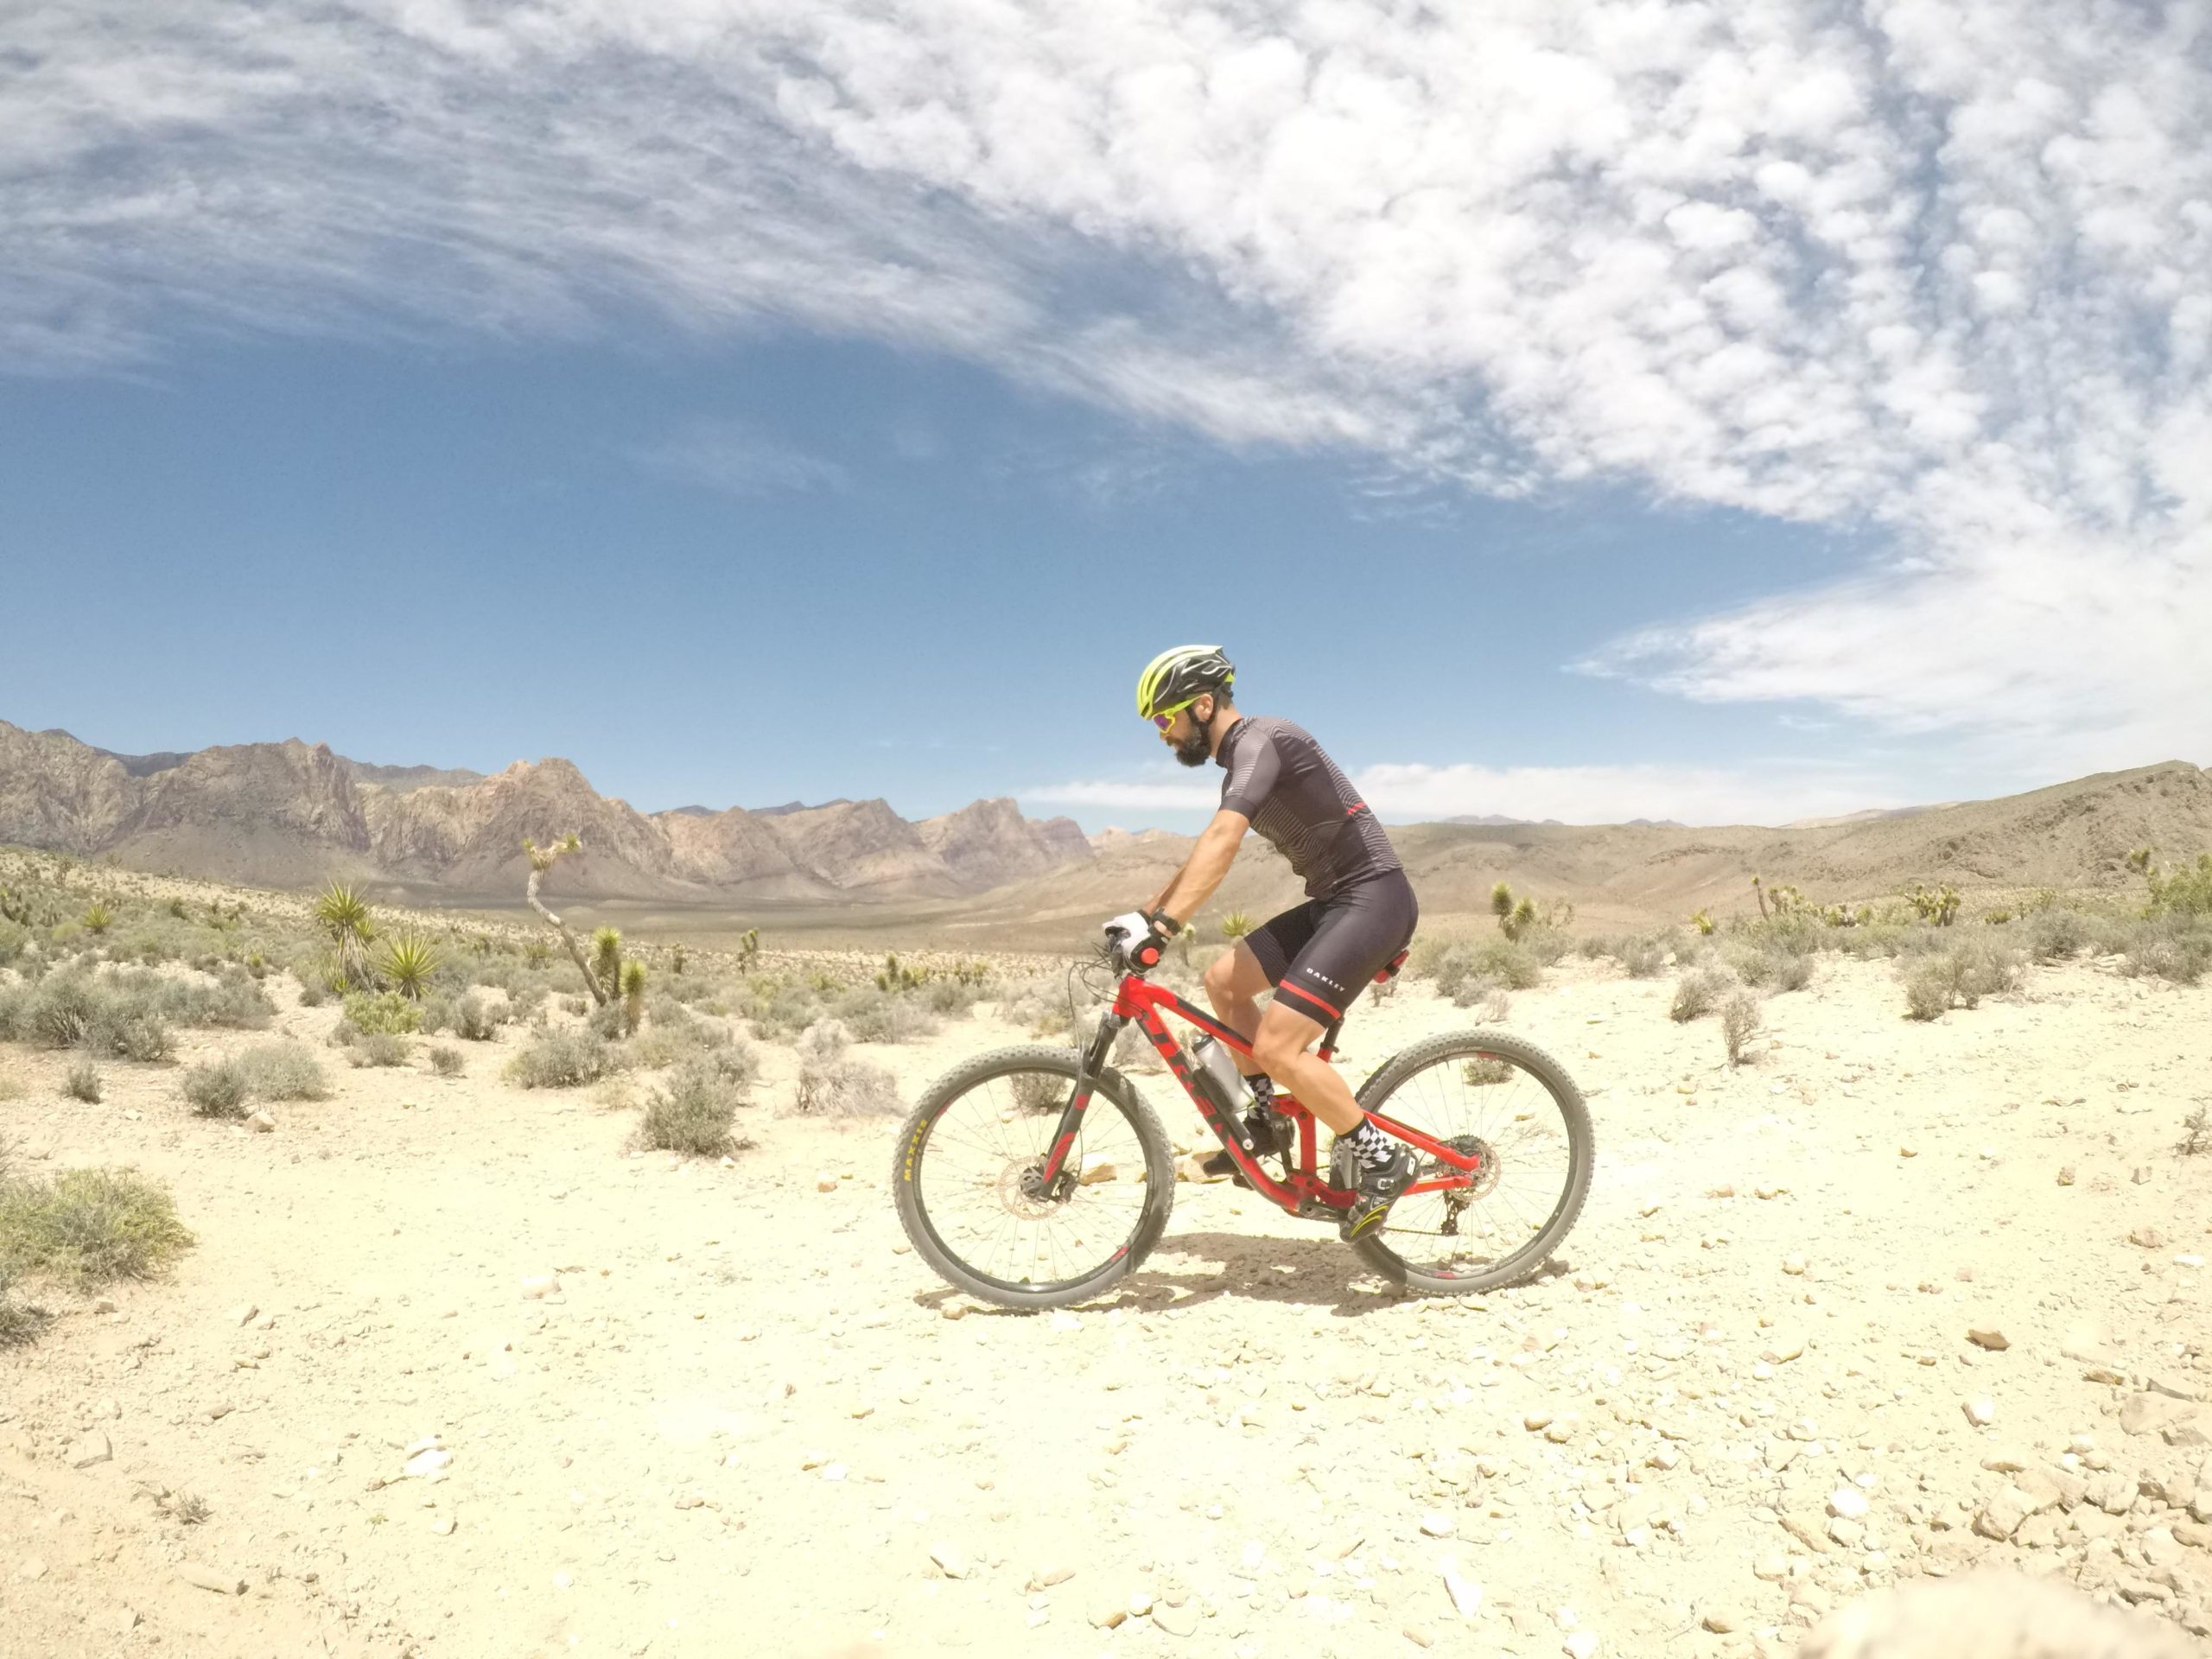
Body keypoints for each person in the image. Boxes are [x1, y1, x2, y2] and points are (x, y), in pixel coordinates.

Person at [1103, 645, 1420, 1242]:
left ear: (1201, 705)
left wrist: (1165, 930)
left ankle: (1385, 1159)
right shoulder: (1240, 761)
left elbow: (1225, 839)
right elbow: (1207, 845)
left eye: (1164, 719)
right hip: (1336, 903)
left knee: (1278, 1045)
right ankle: (1268, 1116)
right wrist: (1144, 915)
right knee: (1223, 981)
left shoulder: (1262, 741)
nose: (1162, 735)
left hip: (1375, 899)